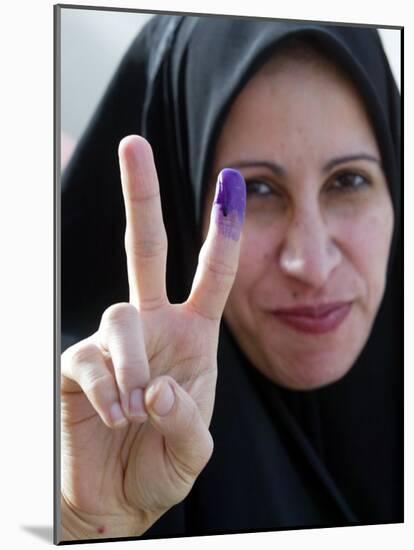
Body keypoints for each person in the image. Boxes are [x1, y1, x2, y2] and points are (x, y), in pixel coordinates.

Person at [59, 14, 402, 542]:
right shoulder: (81, 431)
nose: (311, 265)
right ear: (178, 202)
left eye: (349, 180)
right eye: (258, 191)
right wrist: (85, 524)